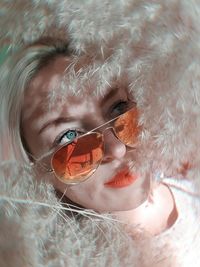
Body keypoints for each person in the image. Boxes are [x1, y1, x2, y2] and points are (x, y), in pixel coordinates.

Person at [1, 38, 200, 267]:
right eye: (70, 137)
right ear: (34, 166)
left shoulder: (187, 173)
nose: (116, 149)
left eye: (119, 108)